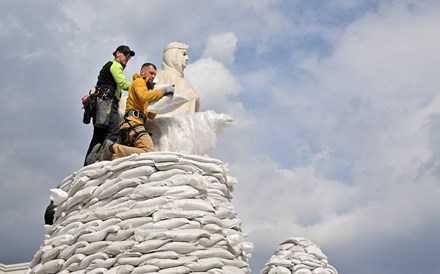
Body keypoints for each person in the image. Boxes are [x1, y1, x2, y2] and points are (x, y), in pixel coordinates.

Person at [87, 63, 174, 164]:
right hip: (133, 124)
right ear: (142, 72)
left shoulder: (145, 89)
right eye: (151, 73)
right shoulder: (139, 81)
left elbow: (150, 115)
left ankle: (103, 155)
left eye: (154, 75)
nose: (153, 76)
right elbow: (144, 96)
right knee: (148, 151)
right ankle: (111, 147)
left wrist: (159, 103)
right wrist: (162, 92)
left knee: (123, 160)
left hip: (132, 125)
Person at [83, 45, 135, 166]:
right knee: (114, 131)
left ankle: (88, 164)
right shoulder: (115, 65)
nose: (127, 57)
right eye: (125, 54)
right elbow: (123, 84)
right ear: (117, 53)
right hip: (107, 102)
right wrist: (140, 84)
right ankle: (101, 159)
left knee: (98, 135)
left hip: (101, 103)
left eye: (129, 56)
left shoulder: (110, 66)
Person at [155, 42, 200, 116]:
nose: (187, 58)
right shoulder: (159, 76)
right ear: (173, 55)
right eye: (184, 54)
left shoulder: (186, 84)